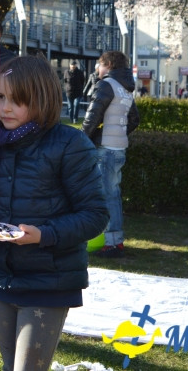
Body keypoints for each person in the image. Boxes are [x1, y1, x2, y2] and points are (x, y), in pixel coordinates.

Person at [0, 56, 108, 371]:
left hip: (49, 283)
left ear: (41, 98)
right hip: (3, 280)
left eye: (17, 100)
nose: (4, 108)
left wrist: (44, 235)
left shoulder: (70, 144)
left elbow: (96, 215)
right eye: (0, 97)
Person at [81, 50, 139, 257]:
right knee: (113, 194)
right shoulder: (126, 89)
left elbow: (92, 117)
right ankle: (115, 240)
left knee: (106, 195)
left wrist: (82, 139)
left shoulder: (105, 85)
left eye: (99, 64)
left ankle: (112, 243)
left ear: (109, 65)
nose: (97, 69)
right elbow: (134, 119)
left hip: (105, 150)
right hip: (119, 148)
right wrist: (117, 133)